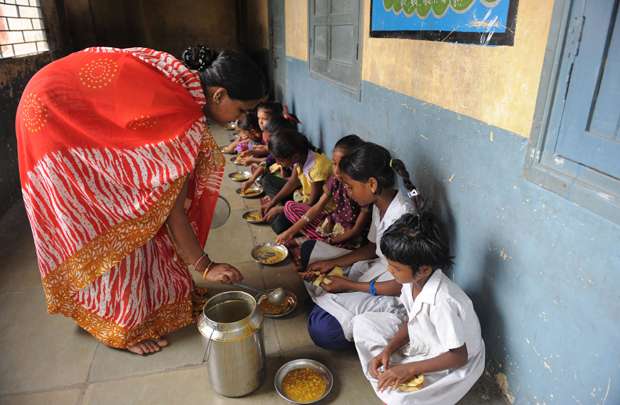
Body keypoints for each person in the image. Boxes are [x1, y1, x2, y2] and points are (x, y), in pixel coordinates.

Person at [15, 44, 267, 355]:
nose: (240, 121)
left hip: (61, 102)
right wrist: (205, 265)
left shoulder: (185, 84)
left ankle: (143, 301)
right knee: (116, 218)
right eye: (242, 110)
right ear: (218, 95)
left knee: (146, 208)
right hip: (51, 117)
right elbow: (173, 209)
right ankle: (119, 326)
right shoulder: (180, 114)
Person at [300, 142, 422, 350]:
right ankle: (335, 302)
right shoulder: (380, 203)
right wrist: (332, 263)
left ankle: (357, 323)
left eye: (350, 187)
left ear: (372, 184)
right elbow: (371, 248)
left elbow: (404, 284)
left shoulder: (404, 217)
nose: (348, 193)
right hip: (376, 269)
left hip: (393, 290)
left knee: (322, 328)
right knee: (308, 249)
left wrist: (349, 285)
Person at [353, 213, 485, 405]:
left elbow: (459, 356)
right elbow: (412, 319)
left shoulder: (443, 302)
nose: (390, 271)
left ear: (423, 270)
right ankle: (393, 366)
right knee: (362, 323)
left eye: (396, 268)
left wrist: (410, 369)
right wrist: (388, 350)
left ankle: (402, 375)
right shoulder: (411, 281)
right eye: (389, 264)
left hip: (452, 362)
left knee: (398, 398)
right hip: (425, 339)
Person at [275, 135, 370, 253]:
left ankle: (311, 241)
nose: (336, 171)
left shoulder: (361, 189)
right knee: (289, 207)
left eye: (343, 165)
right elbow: (316, 207)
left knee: (334, 247)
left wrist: (331, 241)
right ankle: (313, 240)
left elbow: (356, 230)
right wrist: (290, 232)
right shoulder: (335, 180)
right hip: (331, 222)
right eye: (334, 164)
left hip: (347, 235)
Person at [262, 130, 332, 234]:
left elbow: (311, 204)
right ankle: (287, 206)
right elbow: (292, 182)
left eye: (280, 160)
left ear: (294, 156)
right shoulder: (299, 159)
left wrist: (281, 209)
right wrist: (273, 202)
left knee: (278, 225)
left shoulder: (317, 168)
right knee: (267, 180)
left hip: (319, 208)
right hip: (302, 196)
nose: (277, 163)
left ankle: (288, 209)